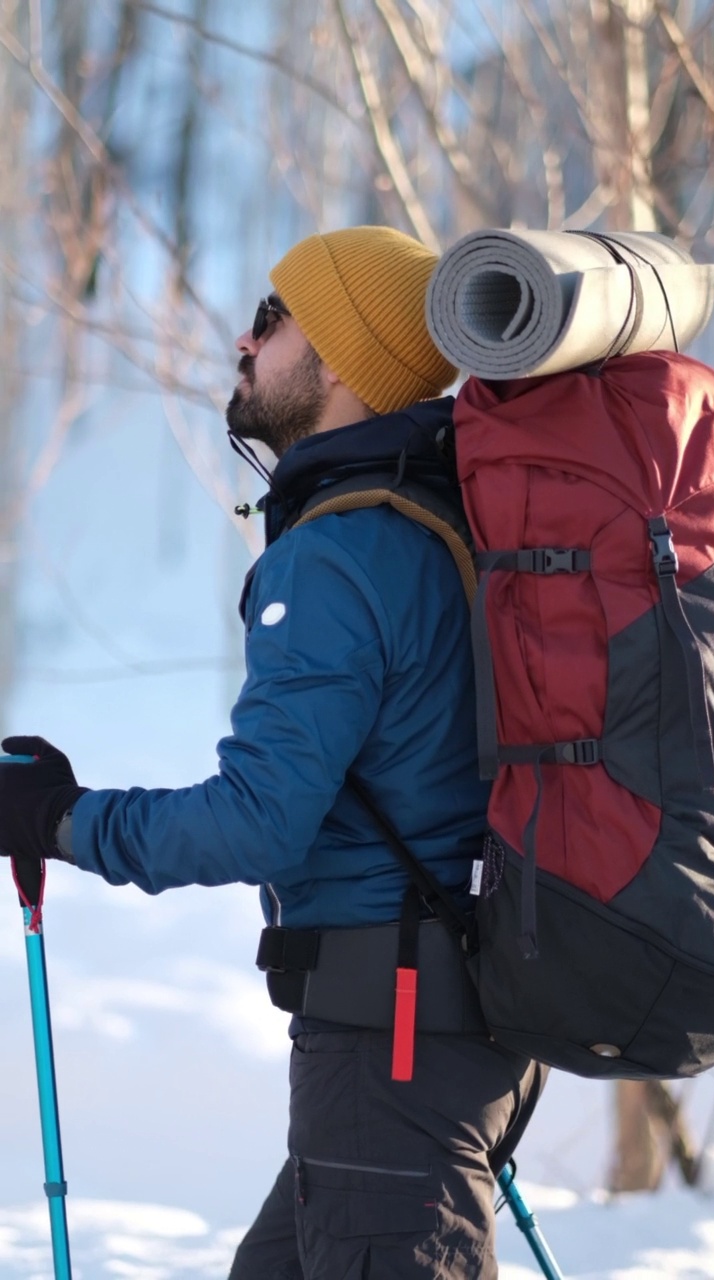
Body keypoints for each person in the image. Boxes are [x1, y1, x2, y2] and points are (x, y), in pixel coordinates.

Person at [0, 225, 547, 1279]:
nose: (245, 342)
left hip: (394, 1045)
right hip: (434, 1026)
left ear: (340, 358)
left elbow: (260, 816)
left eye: (270, 318)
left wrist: (59, 819)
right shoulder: (429, 518)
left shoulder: (342, 554)